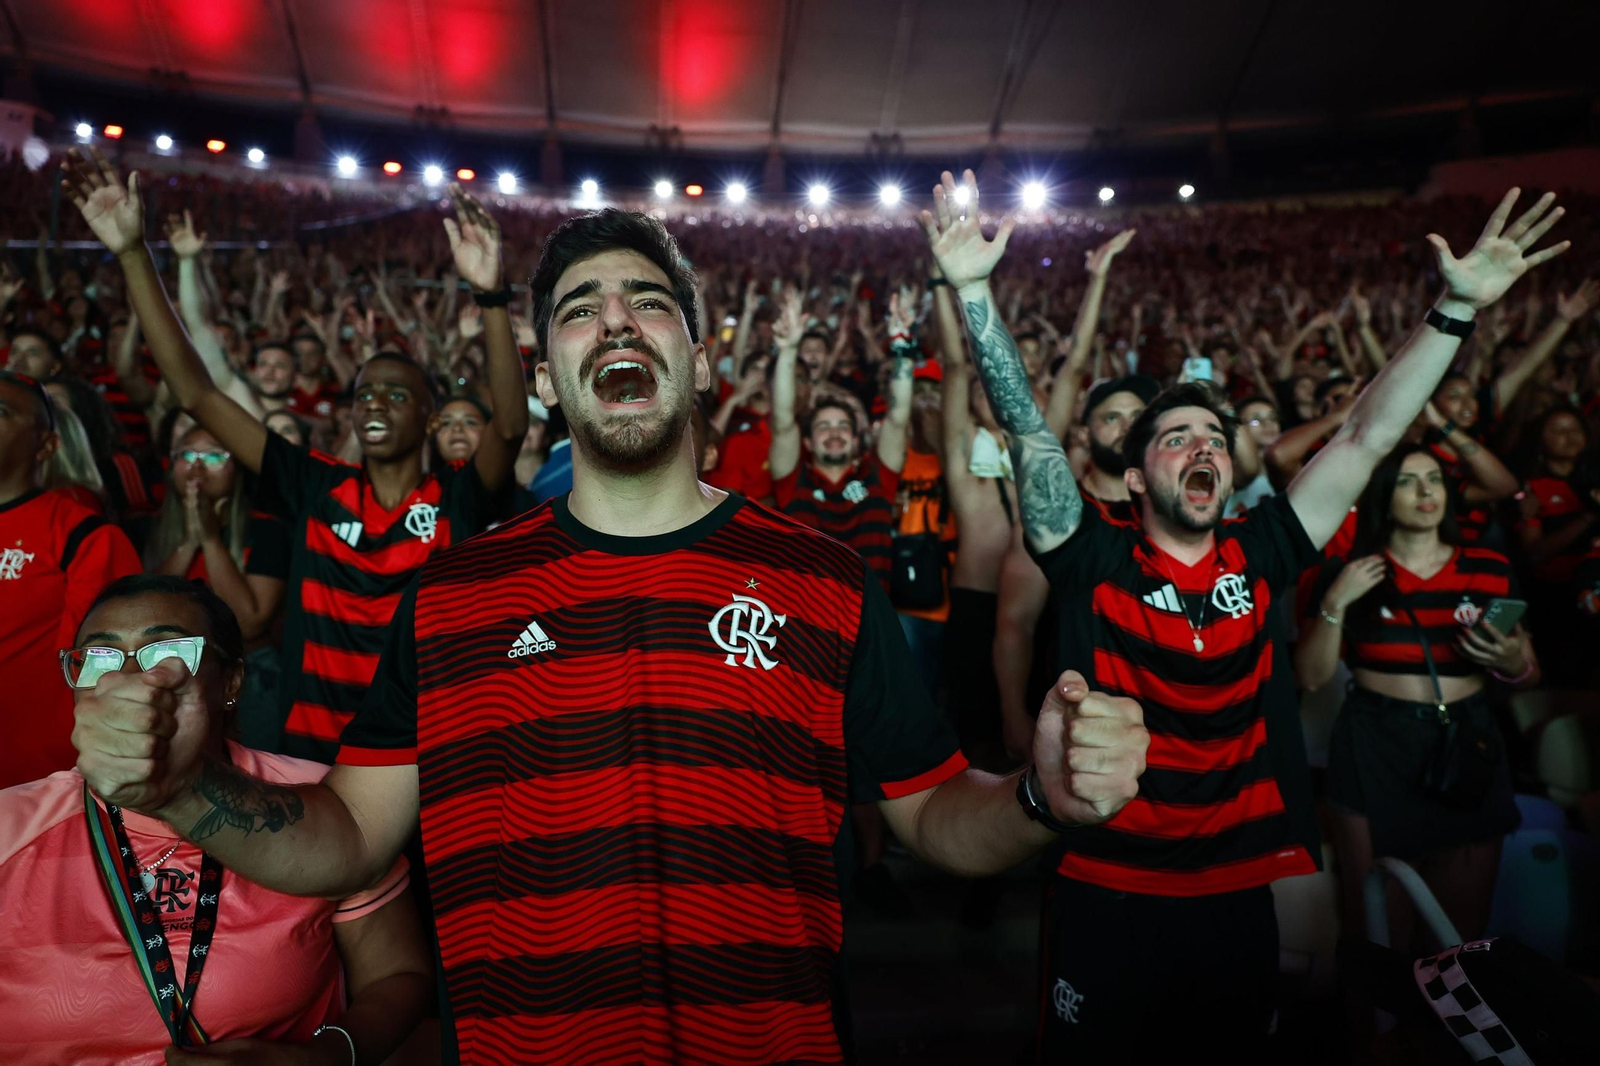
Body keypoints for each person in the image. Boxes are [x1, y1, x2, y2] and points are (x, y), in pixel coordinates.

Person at [70, 205, 1148, 1066]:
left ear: (699, 359)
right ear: (544, 376)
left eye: (650, 302)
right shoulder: (450, 599)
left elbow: (938, 815)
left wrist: (1037, 794)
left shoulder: (822, 580)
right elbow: (349, 836)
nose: (619, 322)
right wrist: (181, 789)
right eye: (581, 309)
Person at [920, 167, 1568, 1057]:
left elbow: (1366, 435)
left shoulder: (1265, 548)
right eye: (1176, 437)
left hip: (1235, 889)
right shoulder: (1092, 554)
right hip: (1108, 882)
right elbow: (1031, 430)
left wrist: (1455, 309)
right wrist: (973, 292)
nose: (1204, 447)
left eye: (1216, 440)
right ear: (1136, 475)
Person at [64, 150, 529, 762]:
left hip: (422, 753)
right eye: (365, 393)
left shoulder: (455, 494)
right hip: (312, 755)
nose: (375, 403)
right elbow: (197, 395)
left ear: (429, 417)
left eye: (396, 394)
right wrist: (132, 253)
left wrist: (491, 296)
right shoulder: (316, 483)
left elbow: (510, 426)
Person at [0, 574, 430, 1065]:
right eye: (101, 657)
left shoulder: (320, 805)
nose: (131, 677)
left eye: (168, 653)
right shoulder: (11, 826)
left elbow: (398, 975)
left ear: (231, 682)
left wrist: (324, 1057)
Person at [1295, 445, 1535, 948]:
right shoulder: (1349, 572)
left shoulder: (1489, 567)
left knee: (1459, 936)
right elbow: (1312, 677)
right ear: (1383, 495)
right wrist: (1336, 601)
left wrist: (1512, 662)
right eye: (1407, 481)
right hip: (1377, 740)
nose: (1426, 491)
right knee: (1378, 928)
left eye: (1434, 479)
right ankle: (1380, 1006)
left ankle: (1446, 1006)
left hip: (1467, 739)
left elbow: (1528, 676)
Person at [0, 369, 140, 789]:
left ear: (46, 446)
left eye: (1, 411)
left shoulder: (85, 537)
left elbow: (101, 678)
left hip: (36, 786)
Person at [770, 288, 913, 588]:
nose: (834, 433)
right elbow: (783, 421)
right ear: (807, 442)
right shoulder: (794, 482)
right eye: (823, 426)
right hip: (807, 612)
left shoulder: (878, 477)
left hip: (870, 613)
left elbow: (899, 417)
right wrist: (789, 349)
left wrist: (901, 342)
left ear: (857, 438)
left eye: (842, 426)